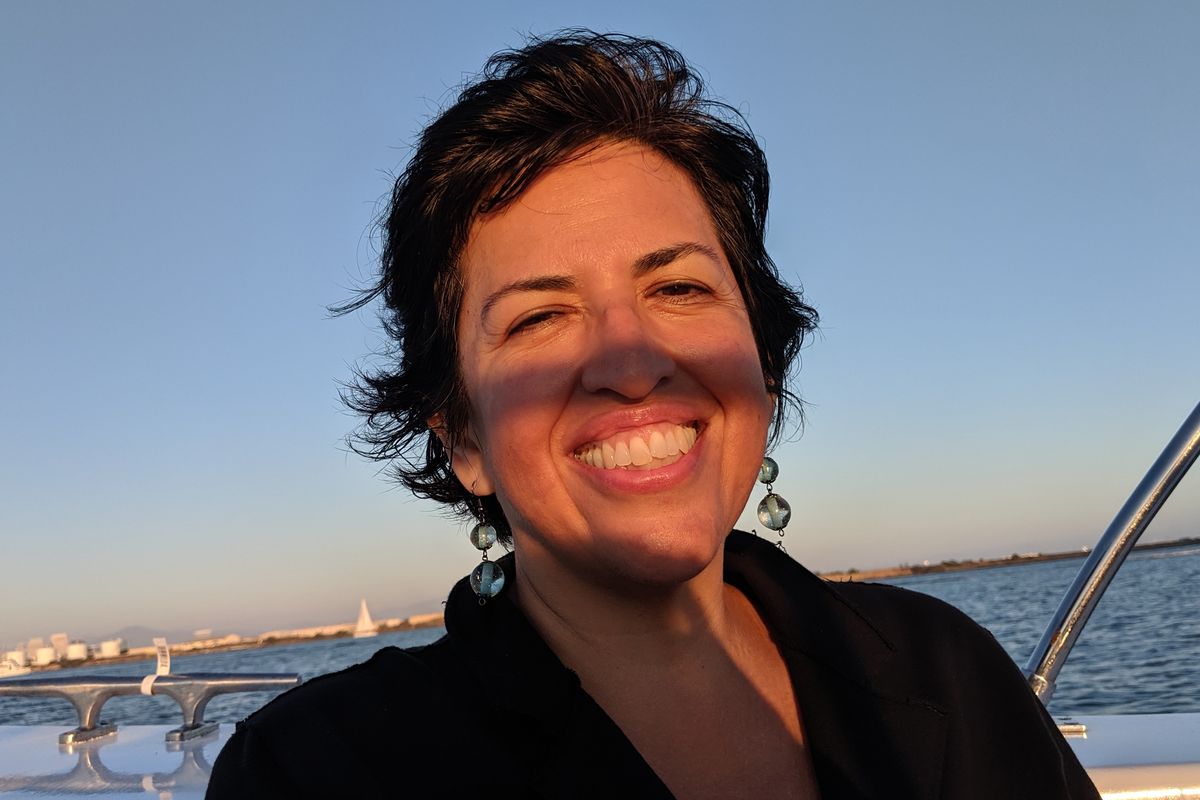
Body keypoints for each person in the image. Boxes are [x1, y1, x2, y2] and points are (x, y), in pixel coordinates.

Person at [207, 32, 1100, 799]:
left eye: (678, 288)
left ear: (763, 360)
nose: (632, 364)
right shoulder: (317, 771)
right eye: (539, 317)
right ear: (463, 437)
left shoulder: (948, 671)